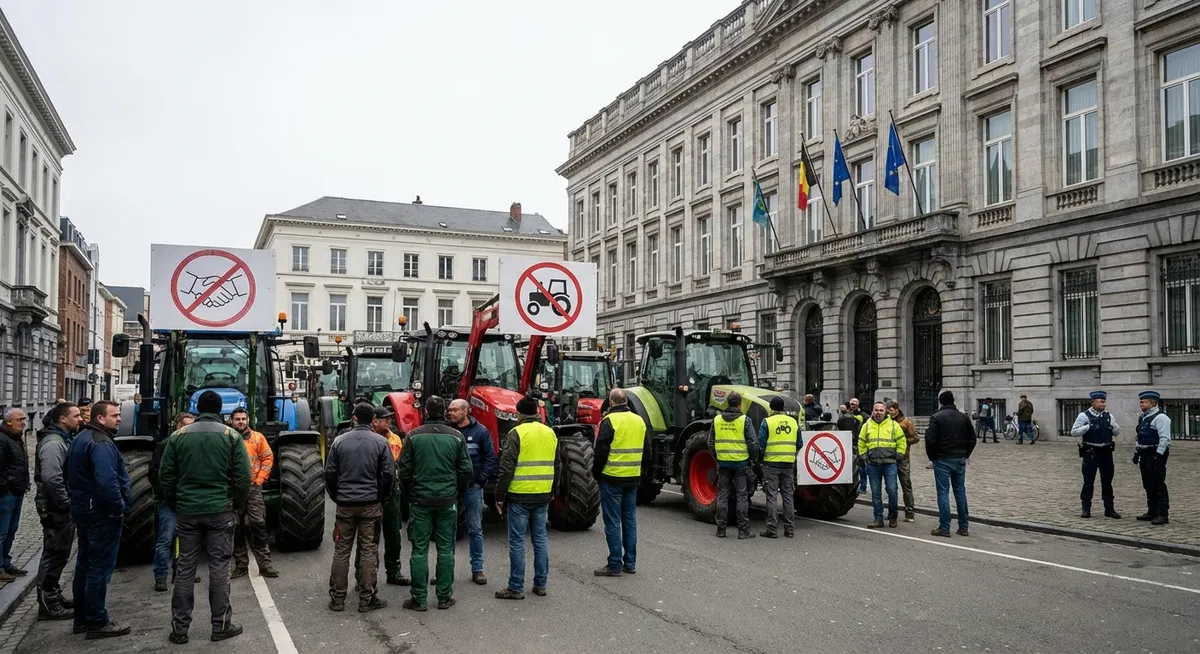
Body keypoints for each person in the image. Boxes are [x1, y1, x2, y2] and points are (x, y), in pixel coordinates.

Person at [159, 392, 250, 644]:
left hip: (187, 512)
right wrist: (234, 503)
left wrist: (176, 503)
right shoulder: (230, 436)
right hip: (220, 510)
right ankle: (220, 625)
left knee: (185, 567)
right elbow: (244, 477)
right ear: (220, 410)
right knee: (219, 567)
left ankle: (179, 629)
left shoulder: (178, 436)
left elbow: (165, 477)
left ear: (197, 408)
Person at [398, 396, 471, 611]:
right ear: (445, 412)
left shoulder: (413, 436)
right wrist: (458, 491)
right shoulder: (456, 436)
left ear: (426, 412)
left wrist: (410, 492)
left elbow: (404, 471)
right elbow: (466, 469)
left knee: (419, 549)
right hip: (447, 499)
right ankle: (444, 597)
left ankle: (419, 598)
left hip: (421, 500)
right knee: (446, 549)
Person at [66, 400, 131, 639]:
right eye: (114, 415)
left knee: (85, 564)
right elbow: (107, 480)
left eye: (119, 415)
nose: (119, 419)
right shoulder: (100, 442)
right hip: (101, 513)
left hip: (85, 510)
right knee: (98, 568)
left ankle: (82, 618)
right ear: (100, 418)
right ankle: (96, 621)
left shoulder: (81, 438)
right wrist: (119, 507)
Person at [325, 402, 393, 613]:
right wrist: (381, 497)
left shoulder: (339, 441)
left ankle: (338, 598)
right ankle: (366, 598)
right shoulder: (381, 442)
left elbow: (330, 473)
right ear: (373, 419)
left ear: (354, 417)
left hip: (345, 504)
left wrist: (338, 497)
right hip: (370, 504)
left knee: (341, 550)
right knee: (368, 550)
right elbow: (389, 474)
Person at [494, 396, 560, 600]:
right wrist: (553, 490)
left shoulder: (516, 433)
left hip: (520, 495)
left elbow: (506, 467)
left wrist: (499, 496)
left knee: (517, 542)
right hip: (542, 494)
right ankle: (541, 584)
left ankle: (516, 587)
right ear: (537, 413)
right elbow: (557, 464)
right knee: (540, 540)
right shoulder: (550, 433)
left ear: (519, 414)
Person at [34, 402, 82, 619]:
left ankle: (53, 595)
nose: (80, 419)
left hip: (58, 507)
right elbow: (51, 478)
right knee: (54, 554)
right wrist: (65, 503)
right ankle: (48, 604)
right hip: (55, 509)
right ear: (63, 419)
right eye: (76, 415)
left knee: (60, 554)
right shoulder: (54, 443)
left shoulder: (62, 439)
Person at [593, 388, 646, 575]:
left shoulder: (609, 421)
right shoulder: (639, 421)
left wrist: (596, 473)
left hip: (612, 478)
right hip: (632, 478)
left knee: (613, 522)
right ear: (626, 402)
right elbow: (647, 451)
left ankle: (615, 564)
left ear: (611, 402)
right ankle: (630, 563)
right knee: (629, 521)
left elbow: (600, 452)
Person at [355, 406, 409, 588]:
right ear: (375, 421)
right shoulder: (367, 440)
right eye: (385, 419)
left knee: (393, 535)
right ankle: (362, 577)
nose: (389, 422)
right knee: (368, 538)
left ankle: (393, 572)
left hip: (392, 493)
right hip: (372, 494)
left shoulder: (395, 439)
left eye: (389, 418)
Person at [448, 398, 496, 585]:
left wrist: (479, 480)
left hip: (472, 489)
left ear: (466, 411)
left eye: (455, 410)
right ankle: (446, 569)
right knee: (448, 530)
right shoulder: (448, 431)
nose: (450, 413)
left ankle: (477, 569)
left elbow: (490, 458)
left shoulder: (481, 432)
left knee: (475, 529)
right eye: (449, 410)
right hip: (451, 489)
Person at [228, 408, 278, 579]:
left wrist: (259, 480)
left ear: (248, 420)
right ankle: (241, 564)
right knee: (236, 527)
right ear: (231, 420)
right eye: (237, 419)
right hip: (234, 489)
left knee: (258, 523)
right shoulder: (226, 438)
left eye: (243, 419)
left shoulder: (258, 438)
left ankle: (265, 564)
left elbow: (268, 458)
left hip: (253, 488)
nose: (241, 422)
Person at [149, 413, 196, 592]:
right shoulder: (165, 445)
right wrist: (167, 494)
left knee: (187, 541)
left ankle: (183, 573)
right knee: (165, 540)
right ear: (177, 426)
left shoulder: (193, 446)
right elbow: (155, 473)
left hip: (188, 500)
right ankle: (161, 576)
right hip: (170, 502)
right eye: (186, 426)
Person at [707, 392, 759, 539]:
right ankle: (743, 530)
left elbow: (710, 442)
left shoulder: (717, 420)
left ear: (727, 403)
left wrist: (718, 457)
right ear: (740, 404)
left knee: (722, 495)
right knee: (742, 496)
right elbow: (753, 443)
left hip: (723, 464)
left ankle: (721, 530)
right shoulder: (745, 420)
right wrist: (752, 459)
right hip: (741, 464)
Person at [925, 391, 975, 537]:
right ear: (953, 401)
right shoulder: (963, 417)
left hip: (942, 458)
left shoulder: (936, 417)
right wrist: (965, 454)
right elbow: (972, 439)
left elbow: (930, 439)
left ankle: (944, 527)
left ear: (940, 402)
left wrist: (932, 457)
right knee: (960, 492)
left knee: (943, 493)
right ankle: (963, 526)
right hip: (959, 458)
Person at [1070, 391, 1121, 519]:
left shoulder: (1109, 416)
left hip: (1106, 452)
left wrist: (1113, 427)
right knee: (1088, 481)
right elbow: (1074, 432)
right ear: (1093, 402)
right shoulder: (1084, 416)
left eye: (1104, 401)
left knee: (1107, 481)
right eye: (1100, 401)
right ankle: (1086, 508)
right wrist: (1087, 427)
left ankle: (1109, 509)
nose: (1103, 404)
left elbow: (1117, 431)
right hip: (1091, 452)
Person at [857, 402, 907, 529]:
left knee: (892, 490)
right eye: (876, 410)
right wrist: (863, 456)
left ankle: (893, 516)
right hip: (873, 464)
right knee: (876, 493)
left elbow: (902, 441)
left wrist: (900, 454)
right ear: (872, 411)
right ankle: (878, 518)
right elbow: (861, 442)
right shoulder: (867, 425)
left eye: (881, 410)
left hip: (890, 464)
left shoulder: (893, 425)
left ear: (885, 412)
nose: (878, 413)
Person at [758, 397, 802, 539]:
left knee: (771, 496)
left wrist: (760, 459)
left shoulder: (767, 422)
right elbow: (799, 443)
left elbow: (761, 444)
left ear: (771, 408)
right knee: (788, 496)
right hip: (788, 464)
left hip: (770, 464)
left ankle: (772, 529)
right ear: (783, 408)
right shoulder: (793, 422)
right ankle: (789, 529)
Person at [0, 407, 30, 583]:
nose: (24, 422)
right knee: (2, 531)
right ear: (8, 421)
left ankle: (6, 562)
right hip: (7, 493)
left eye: (24, 419)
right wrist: (5, 487)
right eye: (20, 419)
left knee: (11, 530)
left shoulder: (16, 437)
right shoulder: (2, 438)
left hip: (17, 490)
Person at [1133, 391, 1171, 526]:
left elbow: (1164, 438)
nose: (1141, 404)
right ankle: (1152, 511)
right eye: (1141, 402)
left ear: (1153, 403)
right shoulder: (1143, 417)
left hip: (1155, 453)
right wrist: (1136, 452)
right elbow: (1139, 436)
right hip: (1144, 453)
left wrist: (1158, 455)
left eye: (1144, 402)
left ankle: (1162, 514)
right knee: (1148, 483)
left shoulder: (1161, 418)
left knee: (1158, 484)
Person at [887, 401, 919, 523]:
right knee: (890, 487)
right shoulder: (886, 422)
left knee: (906, 484)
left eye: (892, 409)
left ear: (897, 409)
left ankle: (909, 511)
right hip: (889, 457)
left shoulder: (906, 422)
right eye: (888, 409)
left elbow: (915, 438)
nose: (890, 412)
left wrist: (903, 441)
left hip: (903, 457)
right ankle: (892, 512)